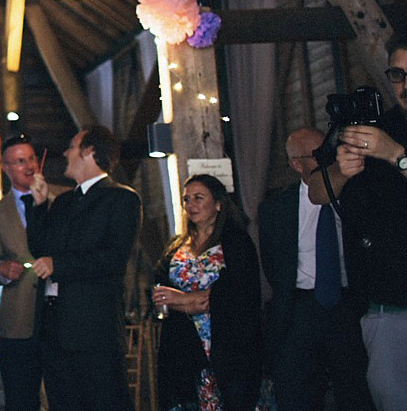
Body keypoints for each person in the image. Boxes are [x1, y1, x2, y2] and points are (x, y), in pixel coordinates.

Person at [309, 33, 407, 411]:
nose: (404, 85)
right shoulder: (379, 126)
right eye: (397, 75)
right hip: (386, 305)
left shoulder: (388, 142)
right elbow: (317, 191)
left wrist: (396, 155)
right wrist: (339, 171)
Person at [258, 128, 374, 411]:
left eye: (328, 151)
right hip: (301, 307)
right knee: (297, 392)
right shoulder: (276, 209)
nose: (326, 160)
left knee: (355, 390)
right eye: (315, 155)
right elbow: (274, 264)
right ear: (296, 164)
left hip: (348, 303)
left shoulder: (354, 194)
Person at [27, 125, 141, 411]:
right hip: (54, 325)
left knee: (104, 402)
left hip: (93, 328)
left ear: (89, 151)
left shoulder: (121, 198)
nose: (65, 153)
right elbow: (40, 249)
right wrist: (39, 206)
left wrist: (58, 264)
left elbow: (113, 258)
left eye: (72, 146)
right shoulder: (64, 201)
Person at [152, 175, 261, 411]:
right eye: (186, 199)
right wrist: (192, 303)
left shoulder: (235, 242)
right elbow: (160, 294)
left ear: (218, 204)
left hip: (226, 342)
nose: (191, 204)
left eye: (198, 198)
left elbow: (232, 293)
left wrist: (181, 299)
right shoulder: (176, 247)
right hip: (184, 345)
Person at [0, 134, 45, 411]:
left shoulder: (64, 198)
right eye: (20, 161)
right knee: (20, 398)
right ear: (6, 168)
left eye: (31, 158)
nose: (29, 166)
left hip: (59, 317)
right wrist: (0, 269)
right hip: (18, 320)